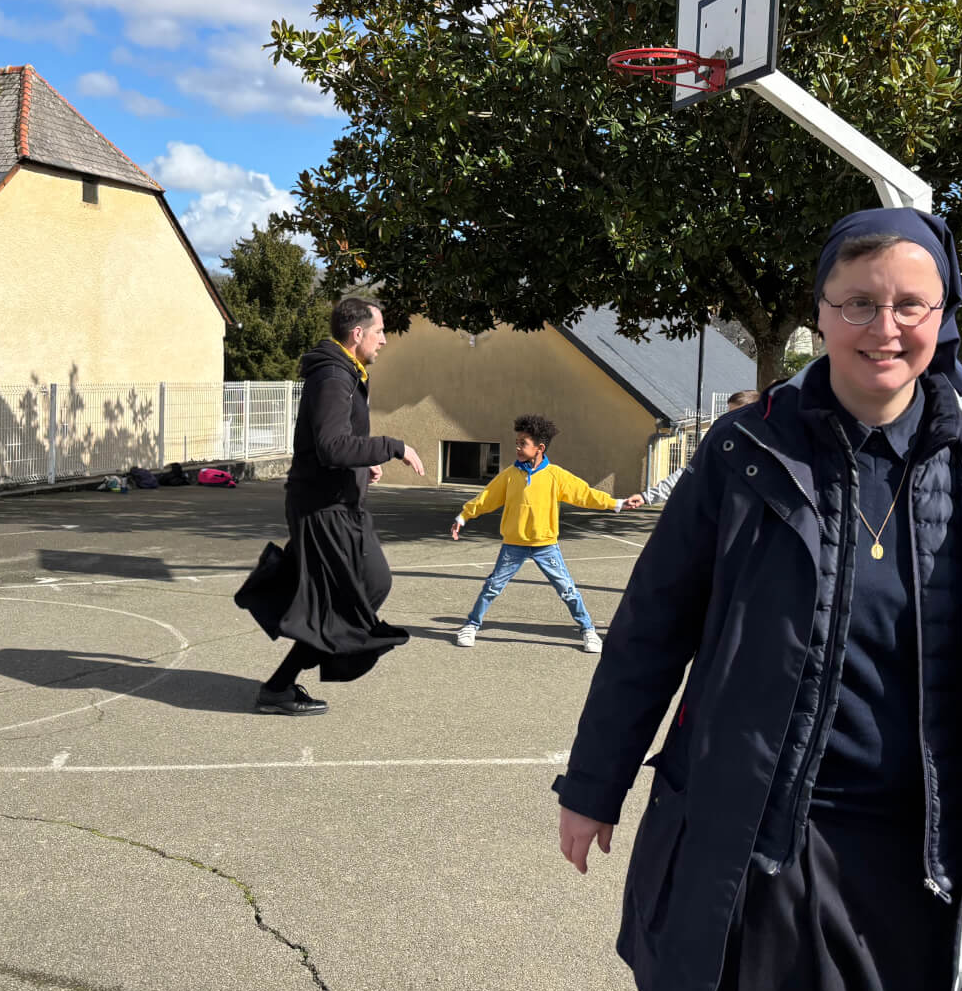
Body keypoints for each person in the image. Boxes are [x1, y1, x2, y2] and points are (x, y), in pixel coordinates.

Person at [553, 208, 962, 991]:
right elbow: (651, 629)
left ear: (943, 315)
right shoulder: (745, 453)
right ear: (820, 312)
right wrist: (593, 784)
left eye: (909, 305)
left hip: (934, 867)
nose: (883, 328)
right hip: (768, 852)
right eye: (857, 303)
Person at [234, 297, 424, 716]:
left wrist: (363, 462)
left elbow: (338, 442)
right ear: (358, 334)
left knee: (363, 590)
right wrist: (393, 447)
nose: (384, 340)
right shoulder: (334, 376)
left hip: (339, 504)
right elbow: (331, 446)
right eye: (379, 331)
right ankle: (279, 687)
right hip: (323, 509)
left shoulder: (344, 372)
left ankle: (280, 685)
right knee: (360, 592)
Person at [450, 414, 638, 654]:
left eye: (523, 443)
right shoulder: (509, 475)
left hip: (546, 546)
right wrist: (464, 516)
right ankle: (471, 626)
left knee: (567, 590)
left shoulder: (555, 475)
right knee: (492, 586)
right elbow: (487, 498)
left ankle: (588, 630)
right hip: (513, 545)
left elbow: (585, 494)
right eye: (517, 442)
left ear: (539, 448)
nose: (518, 447)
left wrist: (616, 503)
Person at [637, 389, 761, 507]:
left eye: (736, 414)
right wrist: (646, 497)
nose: (729, 420)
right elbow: (690, 473)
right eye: (728, 414)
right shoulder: (721, 445)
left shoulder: (765, 449)